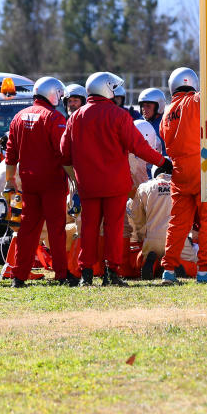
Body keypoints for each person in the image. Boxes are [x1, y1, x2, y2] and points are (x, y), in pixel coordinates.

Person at [60, 71, 168, 287]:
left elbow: (64, 152)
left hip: (87, 185)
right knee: (114, 229)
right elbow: (139, 146)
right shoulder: (119, 115)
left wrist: (78, 171)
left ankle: (87, 274)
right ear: (106, 88)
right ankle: (112, 273)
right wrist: (162, 162)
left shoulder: (76, 117)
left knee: (88, 228)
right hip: (115, 184)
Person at [4, 76, 72, 288]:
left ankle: (19, 275)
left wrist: (10, 180)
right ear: (52, 93)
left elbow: (10, 154)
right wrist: (75, 180)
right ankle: (61, 274)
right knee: (56, 230)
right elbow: (64, 154)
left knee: (26, 230)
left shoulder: (18, 117)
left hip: (28, 182)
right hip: (52, 182)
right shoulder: (54, 118)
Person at [160, 67, 207, 285]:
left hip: (178, 174)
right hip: (202, 168)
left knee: (177, 223)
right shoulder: (195, 101)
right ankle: (204, 270)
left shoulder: (167, 112)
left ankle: (168, 270)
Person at [127, 162, 197, 279]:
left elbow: (136, 217)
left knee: (138, 262)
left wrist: (142, 236)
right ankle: (175, 265)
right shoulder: (183, 186)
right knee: (196, 268)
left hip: (152, 239)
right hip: (177, 241)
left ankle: (153, 264)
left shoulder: (144, 187)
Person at [137, 87, 167, 155]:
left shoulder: (167, 125)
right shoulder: (139, 123)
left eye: (148, 106)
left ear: (159, 106)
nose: (144, 109)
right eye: (142, 106)